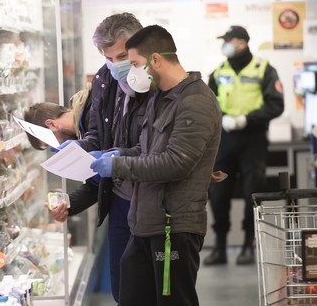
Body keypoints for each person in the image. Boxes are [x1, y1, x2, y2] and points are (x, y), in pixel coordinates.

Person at [91, 25, 222, 306]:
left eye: (135, 64)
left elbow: (176, 163)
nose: (133, 72)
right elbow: (146, 149)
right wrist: (117, 153)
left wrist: (117, 167)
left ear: (157, 60)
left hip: (174, 228)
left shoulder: (196, 101)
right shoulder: (159, 98)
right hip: (145, 223)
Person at [49, 13, 149, 303]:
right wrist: (74, 153)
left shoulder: (157, 84)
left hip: (154, 205)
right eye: (108, 57)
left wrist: (114, 157)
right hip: (119, 202)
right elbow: (97, 138)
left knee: (154, 292)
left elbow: (157, 151)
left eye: (122, 56)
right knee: (123, 292)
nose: (115, 64)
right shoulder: (104, 80)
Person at [205, 25, 284, 266]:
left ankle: (248, 245)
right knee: (218, 194)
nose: (225, 45)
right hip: (224, 139)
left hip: (253, 140)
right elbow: (207, 105)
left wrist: (247, 119)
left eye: (228, 40)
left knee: (253, 192)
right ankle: (219, 247)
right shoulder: (218, 72)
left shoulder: (264, 69)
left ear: (241, 42)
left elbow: (276, 104)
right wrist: (222, 118)